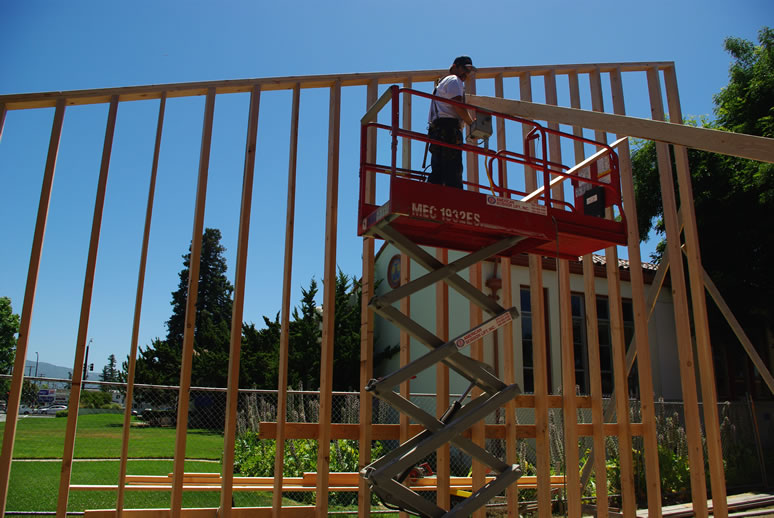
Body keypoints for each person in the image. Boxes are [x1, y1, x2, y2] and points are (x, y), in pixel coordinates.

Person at [427, 56, 476, 188]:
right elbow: (457, 105)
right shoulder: (455, 80)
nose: (466, 74)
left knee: (438, 170)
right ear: (455, 67)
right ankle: (454, 197)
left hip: (437, 130)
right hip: (449, 130)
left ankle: (432, 193)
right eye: (465, 69)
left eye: (469, 71)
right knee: (453, 172)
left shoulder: (442, 83)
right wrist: (472, 124)